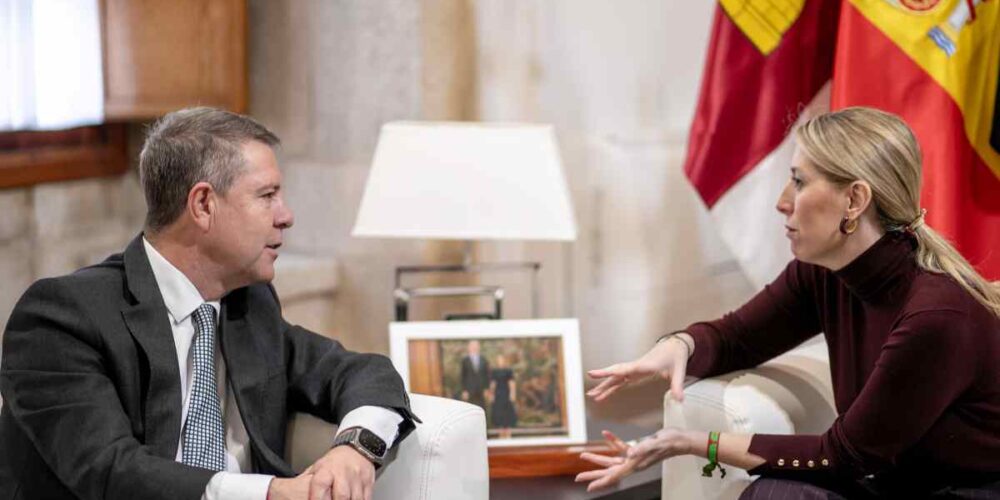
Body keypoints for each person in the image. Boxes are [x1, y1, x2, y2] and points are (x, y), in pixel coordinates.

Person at [577, 107, 1000, 498]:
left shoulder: (936, 315)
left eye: (799, 182)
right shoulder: (825, 272)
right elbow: (738, 338)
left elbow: (844, 456)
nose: (782, 202)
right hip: (895, 484)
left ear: (854, 200)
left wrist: (689, 442)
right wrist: (678, 347)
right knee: (773, 493)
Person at [0, 108, 418, 500]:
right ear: (203, 205)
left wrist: (354, 448)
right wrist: (271, 493)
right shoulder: (61, 319)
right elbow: (110, 470)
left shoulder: (247, 305)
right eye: (267, 195)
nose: (286, 215)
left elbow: (360, 371)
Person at [488, 354, 517, 439]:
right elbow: (493, 384)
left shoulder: (508, 371)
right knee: (499, 415)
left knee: (507, 416)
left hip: (506, 394)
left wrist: (512, 394)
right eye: (499, 360)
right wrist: (491, 394)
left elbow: (512, 383)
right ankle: (501, 436)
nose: (500, 361)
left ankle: (508, 436)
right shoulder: (494, 371)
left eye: (502, 360)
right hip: (498, 395)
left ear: (504, 360)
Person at [459, 339, 490, 411]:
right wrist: (464, 390)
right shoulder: (465, 361)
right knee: (470, 410)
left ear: (479, 347)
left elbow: (487, 375)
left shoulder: (484, 360)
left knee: (482, 409)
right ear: (469, 347)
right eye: (472, 346)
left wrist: (486, 389)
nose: (474, 347)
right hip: (469, 390)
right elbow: (462, 377)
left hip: (481, 391)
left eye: (476, 346)